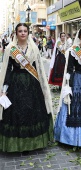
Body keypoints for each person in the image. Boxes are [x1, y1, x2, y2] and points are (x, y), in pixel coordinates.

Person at [0, 23, 53, 152]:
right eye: (20, 31)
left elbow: (39, 68)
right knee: (17, 112)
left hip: (32, 83)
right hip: (15, 83)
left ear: (28, 33)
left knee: (32, 110)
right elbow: (7, 69)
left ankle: (33, 142)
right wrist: (4, 90)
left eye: (25, 31)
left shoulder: (34, 48)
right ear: (16, 33)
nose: (23, 33)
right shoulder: (10, 48)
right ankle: (18, 143)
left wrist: (43, 86)